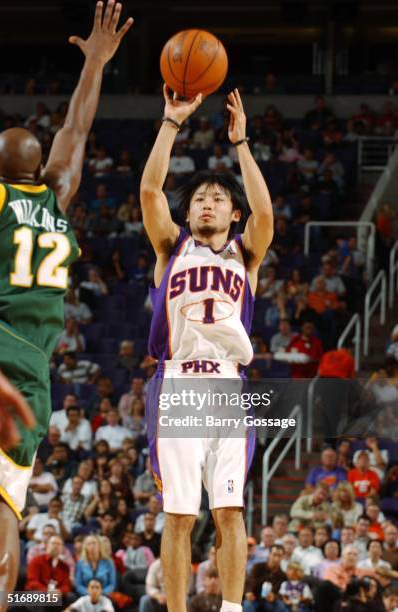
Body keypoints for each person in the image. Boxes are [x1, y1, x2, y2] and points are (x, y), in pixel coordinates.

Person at [0, 0, 133, 600]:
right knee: (6, 503)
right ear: (39, 173)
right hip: (32, 373)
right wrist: (96, 65)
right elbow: (74, 131)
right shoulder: (56, 201)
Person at [140, 84, 274, 612]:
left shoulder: (246, 254)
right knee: (178, 513)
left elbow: (265, 212)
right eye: (199, 198)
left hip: (226, 386)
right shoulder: (171, 247)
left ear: (232, 215)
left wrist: (242, 145)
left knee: (230, 511)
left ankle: (233, 608)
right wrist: (171, 124)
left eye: (218, 199)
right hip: (176, 382)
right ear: (190, 212)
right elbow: (151, 192)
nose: (208, 203)